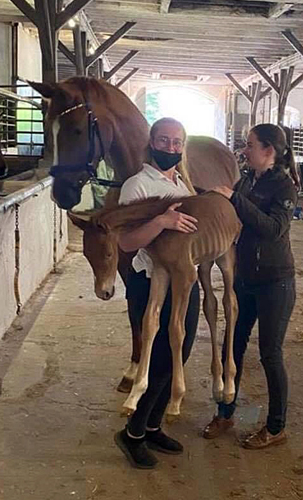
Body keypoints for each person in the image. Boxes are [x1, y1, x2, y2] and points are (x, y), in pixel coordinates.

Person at [203, 123, 298, 449]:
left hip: (275, 282)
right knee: (233, 346)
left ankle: (275, 426)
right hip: (244, 280)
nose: (245, 150)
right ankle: (226, 411)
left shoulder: (284, 187)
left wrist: (235, 199)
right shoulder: (246, 179)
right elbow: (231, 214)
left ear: (269, 151)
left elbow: (273, 229)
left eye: (250, 145)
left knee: (270, 354)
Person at [114, 117, 200, 469]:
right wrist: (160, 222)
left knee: (182, 352)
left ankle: (152, 425)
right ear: (151, 142)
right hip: (149, 283)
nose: (170, 148)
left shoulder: (184, 185)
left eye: (176, 142)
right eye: (163, 141)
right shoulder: (136, 186)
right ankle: (132, 432)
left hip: (185, 282)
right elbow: (125, 241)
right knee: (162, 357)